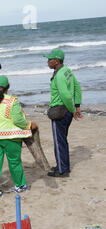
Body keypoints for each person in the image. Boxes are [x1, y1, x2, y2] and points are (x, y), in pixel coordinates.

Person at [44, 49, 82, 178]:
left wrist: (72, 110)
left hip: (60, 112)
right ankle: (62, 165)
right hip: (67, 112)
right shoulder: (67, 71)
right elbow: (77, 86)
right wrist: (77, 106)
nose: (47, 62)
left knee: (59, 142)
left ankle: (62, 170)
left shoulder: (59, 75)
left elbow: (65, 95)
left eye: (50, 60)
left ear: (56, 61)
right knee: (62, 140)